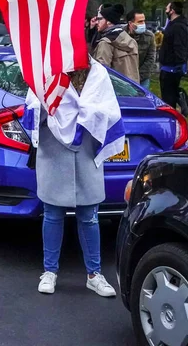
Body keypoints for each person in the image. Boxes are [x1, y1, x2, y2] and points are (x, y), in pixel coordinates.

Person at [33, 61, 117, 298]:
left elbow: (110, 110)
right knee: (52, 214)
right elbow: (32, 113)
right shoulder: (45, 71)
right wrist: (46, 102)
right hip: (53, 151)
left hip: (87, 152)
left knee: (89, 216)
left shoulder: (98, 74)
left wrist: (88, 113)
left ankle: (94, 275)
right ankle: (49, 271)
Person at [92, 4, 140, 82]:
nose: (97, 22)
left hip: (115, 91)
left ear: (109, 21)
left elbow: (101, 75)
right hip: (134, 90)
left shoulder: (105, 43)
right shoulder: (132, 41)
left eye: (99, 19)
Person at [159, 1, 188, 109]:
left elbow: (179, 47)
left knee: (169, 98)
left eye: (167, 8)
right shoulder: (173, 25)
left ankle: (186, 108)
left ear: (172, 10)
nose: (165, 10)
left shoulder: (178, 27)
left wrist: (179, 65)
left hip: (171, 69)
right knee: (169, 96)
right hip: (168, 67)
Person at [126, 10, 156, 90]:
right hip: (124, 77)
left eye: (144, 21)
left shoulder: (149, 36)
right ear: (130, 23)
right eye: (140, 21)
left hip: (142, 78)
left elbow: (150, 58)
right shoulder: (121, 35)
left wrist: (139, 76)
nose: (143, 24)